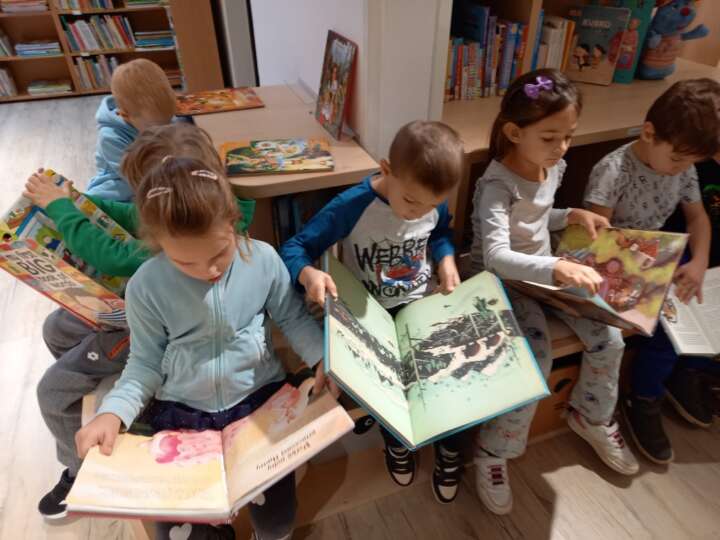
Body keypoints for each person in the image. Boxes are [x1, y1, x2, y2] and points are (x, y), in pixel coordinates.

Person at [75, 134, 328, 540]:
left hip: (260, 402)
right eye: (185, 262)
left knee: (278, 520)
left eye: (219, 254)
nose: (208, 271)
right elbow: (144, 363)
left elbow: (293, 317)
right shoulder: (146, 286)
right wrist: (113, 411)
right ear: (157, 243)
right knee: (180, 531)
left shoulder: (263, 259)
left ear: (233, 221)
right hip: (183, 413)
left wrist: (321, 358)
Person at [26, 123, 254, 520]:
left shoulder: (183, 241)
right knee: (57, 327)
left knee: (52, 390)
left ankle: (82, 474)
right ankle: (114, 400)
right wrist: (79, 201)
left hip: (152, 334)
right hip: (138, 312)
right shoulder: (196, 200)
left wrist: (63, 209)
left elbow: (112, 256)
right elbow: (128, 215)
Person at [471, 69, 638, 516]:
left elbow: (537, 217)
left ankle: (590, 414)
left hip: (548, 275)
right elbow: (496, 257)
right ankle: (494, 450)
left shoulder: (553, 165)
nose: (562, 147)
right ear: (514, 133)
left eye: (568, 136)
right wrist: (556, 267)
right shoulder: (496, 185)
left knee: (610, 337)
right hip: (503, 282)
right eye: (550, 137)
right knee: (535, 358)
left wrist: (572, 215)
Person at [280, 120, 467, 503]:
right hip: (370, 314)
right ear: (386, 170)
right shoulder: (352, 205)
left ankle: (449, 449)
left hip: (420, 305)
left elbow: (440, 233)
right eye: (410, 201)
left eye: (430, 205)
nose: (418, 213)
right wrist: (308, 273)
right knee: (387, 388)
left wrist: (446, 258)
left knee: (447, 378)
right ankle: (396, 442)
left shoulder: (430, 200)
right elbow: (294, 247)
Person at [585, 78, 720, 464]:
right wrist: (649, 273)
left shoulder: (683, 168)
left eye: (689, 163)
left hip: (658, 258)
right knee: (669, 320)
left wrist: (699, 261)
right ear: (648, 133)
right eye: (677, 160)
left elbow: (698, 218)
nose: (682, 169)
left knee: (697, 298)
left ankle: (685, 375)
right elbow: (599, 243)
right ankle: (643, 397)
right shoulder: (613, 171)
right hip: (617, 266)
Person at [85, 58, 177, 201]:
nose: (163, 130)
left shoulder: (156, 117)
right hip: (122, 178)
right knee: (106, 198)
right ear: (125, 116)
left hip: (157, 168)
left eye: (168, 121)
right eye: (155, 128)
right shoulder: (111, 137)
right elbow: (133, 177)